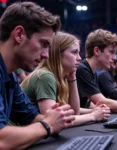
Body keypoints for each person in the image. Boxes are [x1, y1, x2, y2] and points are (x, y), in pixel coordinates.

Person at [0, 2, 75, 150]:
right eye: (43, 44)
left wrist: (57, 119)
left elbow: (32, 118)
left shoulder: (10, 77)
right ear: (19, 35)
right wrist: (48, 125)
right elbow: (1, 140)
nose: (46, 55)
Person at [21, 31, 110, 126]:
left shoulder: (62, 77)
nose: (79, 58)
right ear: (58, 54)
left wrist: (72, 78)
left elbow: (73, 112)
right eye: (74, 52)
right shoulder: (45, 76)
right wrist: (93, 115)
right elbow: (54, 121)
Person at [76, 29, 117, 112]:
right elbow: (102, 101)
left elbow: (86, 103)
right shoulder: (82, 69)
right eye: (111, 52)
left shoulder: (92, 72)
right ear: (97, 51)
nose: (114, 57)